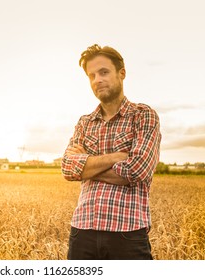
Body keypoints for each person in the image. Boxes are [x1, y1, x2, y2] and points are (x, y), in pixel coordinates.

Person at [61, 44, 161, 260]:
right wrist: (117, 157)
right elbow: (68, 169)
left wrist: (86, 165)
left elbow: (137, 171)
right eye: (92, 75)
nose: (97, 79)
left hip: (127, 234)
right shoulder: (85, 122)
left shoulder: (143, 116)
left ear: (121, 74)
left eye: (104, 72)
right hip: (82, 231)